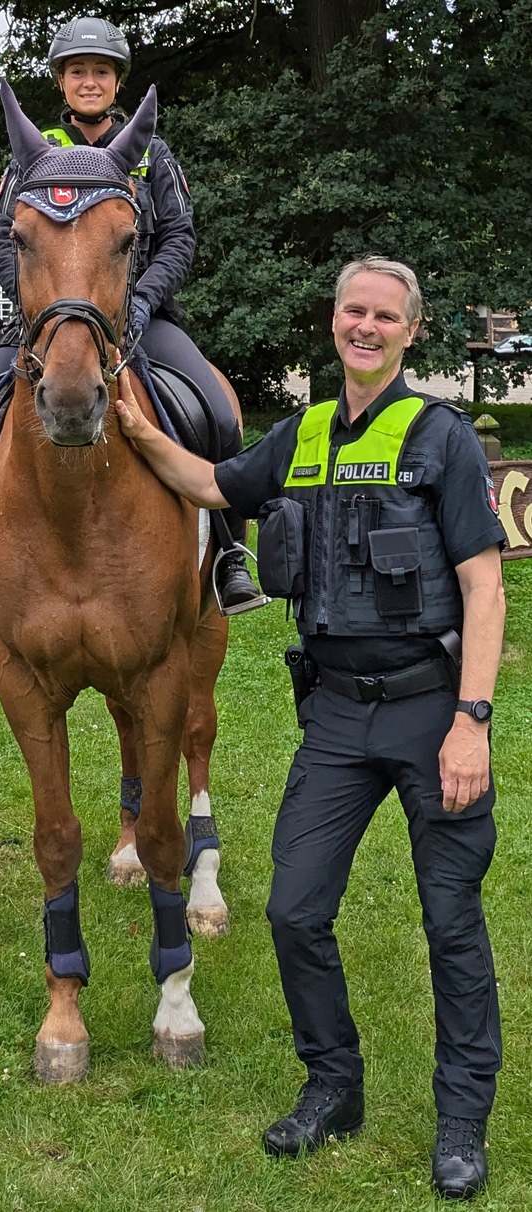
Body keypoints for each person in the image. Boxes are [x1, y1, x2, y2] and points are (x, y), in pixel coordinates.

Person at [113, 255, 506, 1201]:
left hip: (428, 709)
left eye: (384, 316)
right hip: (334, 712)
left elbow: (483, 586)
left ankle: (461, 1121)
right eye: (352, 312)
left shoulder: (439, 437)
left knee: (450, 924)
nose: (364, 328)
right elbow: (213, 484)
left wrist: (472, 722)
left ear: (411, 331)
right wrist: (134, 428)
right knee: (294, 911)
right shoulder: (308, 432)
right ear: (334, 322)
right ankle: (334, 1085)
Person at [0, 15, 259, 626]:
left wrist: (140, 302)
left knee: (216, 413)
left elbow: (180, 236)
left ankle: (228, 554)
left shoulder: (152, 156)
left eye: (101, 71)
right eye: (78, 70)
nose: (90, 81)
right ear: (61, 81)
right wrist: (36, 310)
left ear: (116, 82)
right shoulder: (33, 155)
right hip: (45, 325)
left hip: (139, 315)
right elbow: (7, 238)